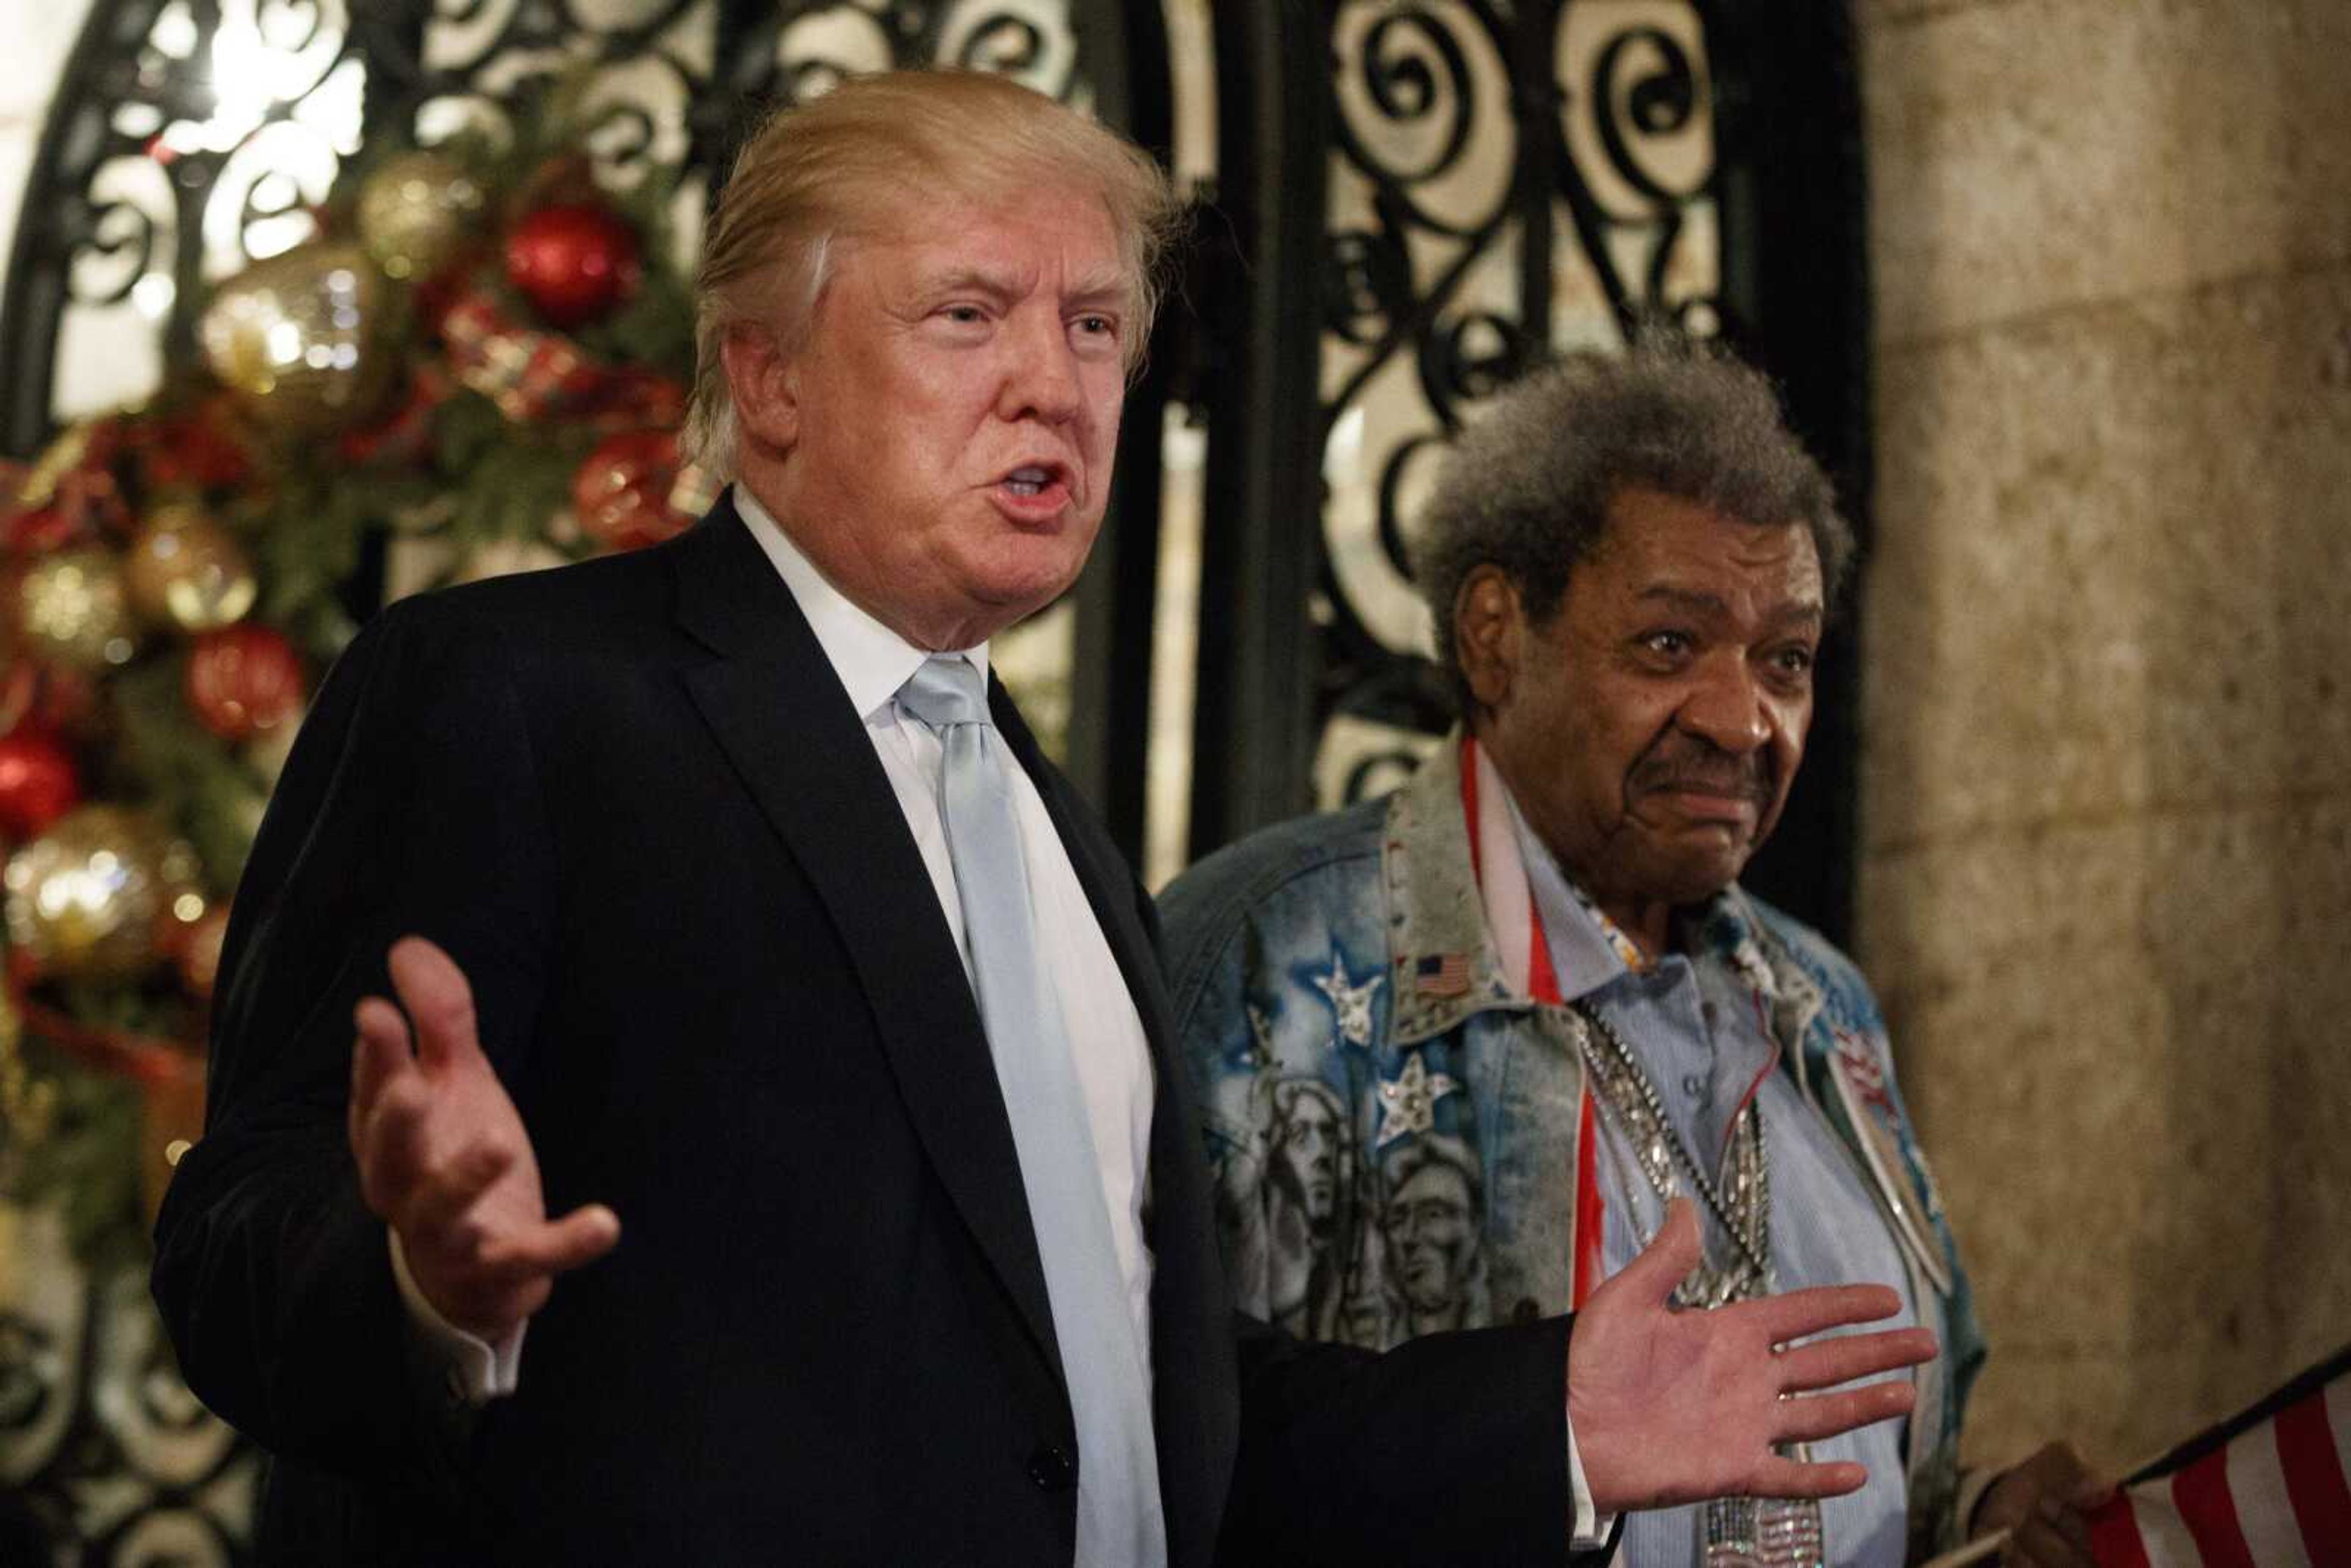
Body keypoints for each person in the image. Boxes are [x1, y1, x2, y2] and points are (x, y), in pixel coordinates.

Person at [153, 77, 1935, 1566]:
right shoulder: (523, 696)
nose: (1054, 384)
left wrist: (1539, 1420)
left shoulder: (1049, 825)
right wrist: (420, 1284)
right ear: (768, 376)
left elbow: (1124, 1426)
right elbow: (237, 1235)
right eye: (968, 314)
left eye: (1093, 325)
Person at [1161, 347, 2109, 1567]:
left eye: (1787, 661)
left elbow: (1863, 1472)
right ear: (1499, 638)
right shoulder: (1262, 959)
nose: (1741, 721)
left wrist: (1972, 1519)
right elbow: (1152, 1465)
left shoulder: (1822, 1002)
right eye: (1670, 646)